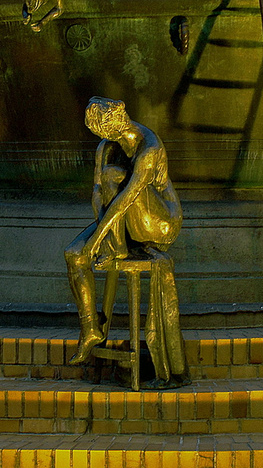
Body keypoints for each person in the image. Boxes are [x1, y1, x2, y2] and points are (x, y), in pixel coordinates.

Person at [64, 97, 187, 386]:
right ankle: (90, 329)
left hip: (158, 222)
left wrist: (98, 240)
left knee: (112, 177)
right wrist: (97, 234)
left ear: (115, 123)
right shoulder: (107, 146)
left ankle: (117, 247)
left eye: (104, 133)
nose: (104, 140)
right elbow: (98, 193)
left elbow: (125, 198)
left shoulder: (149, 149)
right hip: (121, 221)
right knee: (74, 254)